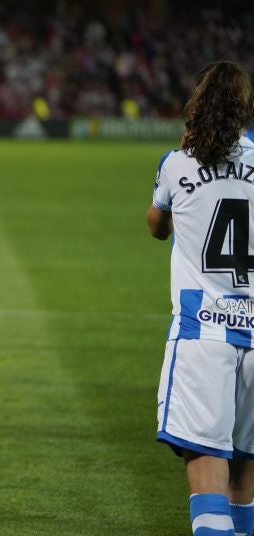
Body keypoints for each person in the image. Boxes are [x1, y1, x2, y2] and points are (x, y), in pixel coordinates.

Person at [147, 60, 254, 536]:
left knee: (209, 471)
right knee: (246, 476)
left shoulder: (177, 163)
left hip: (202, 333)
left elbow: (156, 225)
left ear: (197, 104)